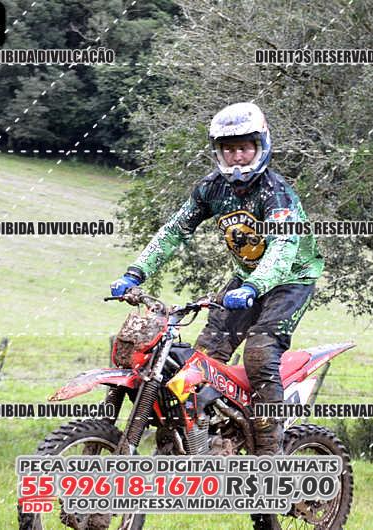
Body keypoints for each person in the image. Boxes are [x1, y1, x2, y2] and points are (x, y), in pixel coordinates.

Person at [110, 102, 323, 456]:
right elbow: (175, 230)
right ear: (218, 152)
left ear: (260, 146)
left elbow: (283, 246)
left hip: (290, 281)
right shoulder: (211, 188)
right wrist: (135, 272)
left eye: (244, 148)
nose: (237, 156)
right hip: (247, 279)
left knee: (260, 353)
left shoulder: (276, 192)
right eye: (229, 148)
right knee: (202, 358)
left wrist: (254, 286)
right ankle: (197, 441)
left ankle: (270, 453)